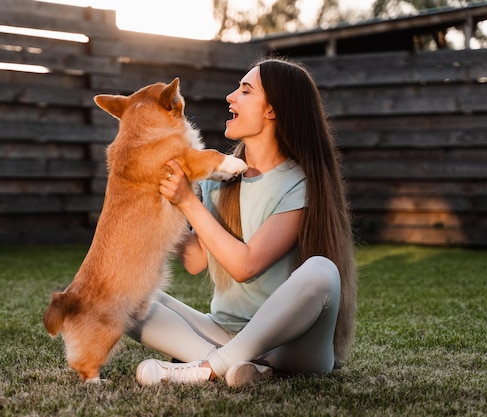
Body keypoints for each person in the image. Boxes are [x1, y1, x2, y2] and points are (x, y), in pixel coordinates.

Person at [127, 57, 357, 387]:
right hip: (225, 330)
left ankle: (206, 368)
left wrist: (188, 202)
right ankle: (243, 367)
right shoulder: (219, 178)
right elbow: (195, 261)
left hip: (294, 345)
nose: (230, 97)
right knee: (125, 299)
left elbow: (245, 265)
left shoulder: (299, 183)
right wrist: (161, 202)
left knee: (322, 271)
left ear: (272, 110)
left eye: (245, 91)